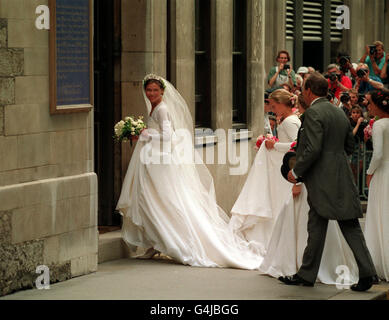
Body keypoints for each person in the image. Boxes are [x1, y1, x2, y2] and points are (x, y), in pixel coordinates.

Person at [116, 74, 262, 270]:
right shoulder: (154, 108)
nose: (151, 93)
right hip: (153, 157)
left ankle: (171, 241)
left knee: (159, 200)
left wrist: (144, 133)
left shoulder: (163, 109)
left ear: (162, 91)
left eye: (155, 90)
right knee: (148, 200)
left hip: (159, 160)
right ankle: (153, 242)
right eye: (148, 90)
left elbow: (168, 136)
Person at [280, 72, 377, 291]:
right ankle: (310, 274)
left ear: (308, 91)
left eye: (304, 88)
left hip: (322, 178)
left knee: (324, 225)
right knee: (339, 224)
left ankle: (309, 274)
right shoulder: (338, 112)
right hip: (342, 174)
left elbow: (312, 148)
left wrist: (296, 173)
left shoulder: (313, 113)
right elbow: (350, 146)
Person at [259, 94, 359, 285]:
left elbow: (303, 149)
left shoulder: (306, 118)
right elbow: (349, 146)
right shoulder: (338, 114)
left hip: (311, 179)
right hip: (329, 175)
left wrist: (297, 179)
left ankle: (304, 267)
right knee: (323, 225)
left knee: (310, 223)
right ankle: (307, 270)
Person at [229, 89, 301, 255]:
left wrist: (274, 145)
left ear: (283, 105)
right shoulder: (289, 119)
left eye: (274, 106)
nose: (272, 110)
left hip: (286, 167)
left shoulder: (290, 122)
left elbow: (296, 145)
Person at [364, 89, 389, 282]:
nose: (368, 106)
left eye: (370, 103)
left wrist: (369, 172)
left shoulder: (380, 124)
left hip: (383, 173)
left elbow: (379, 154)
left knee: (381, 214)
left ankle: (380, 262)